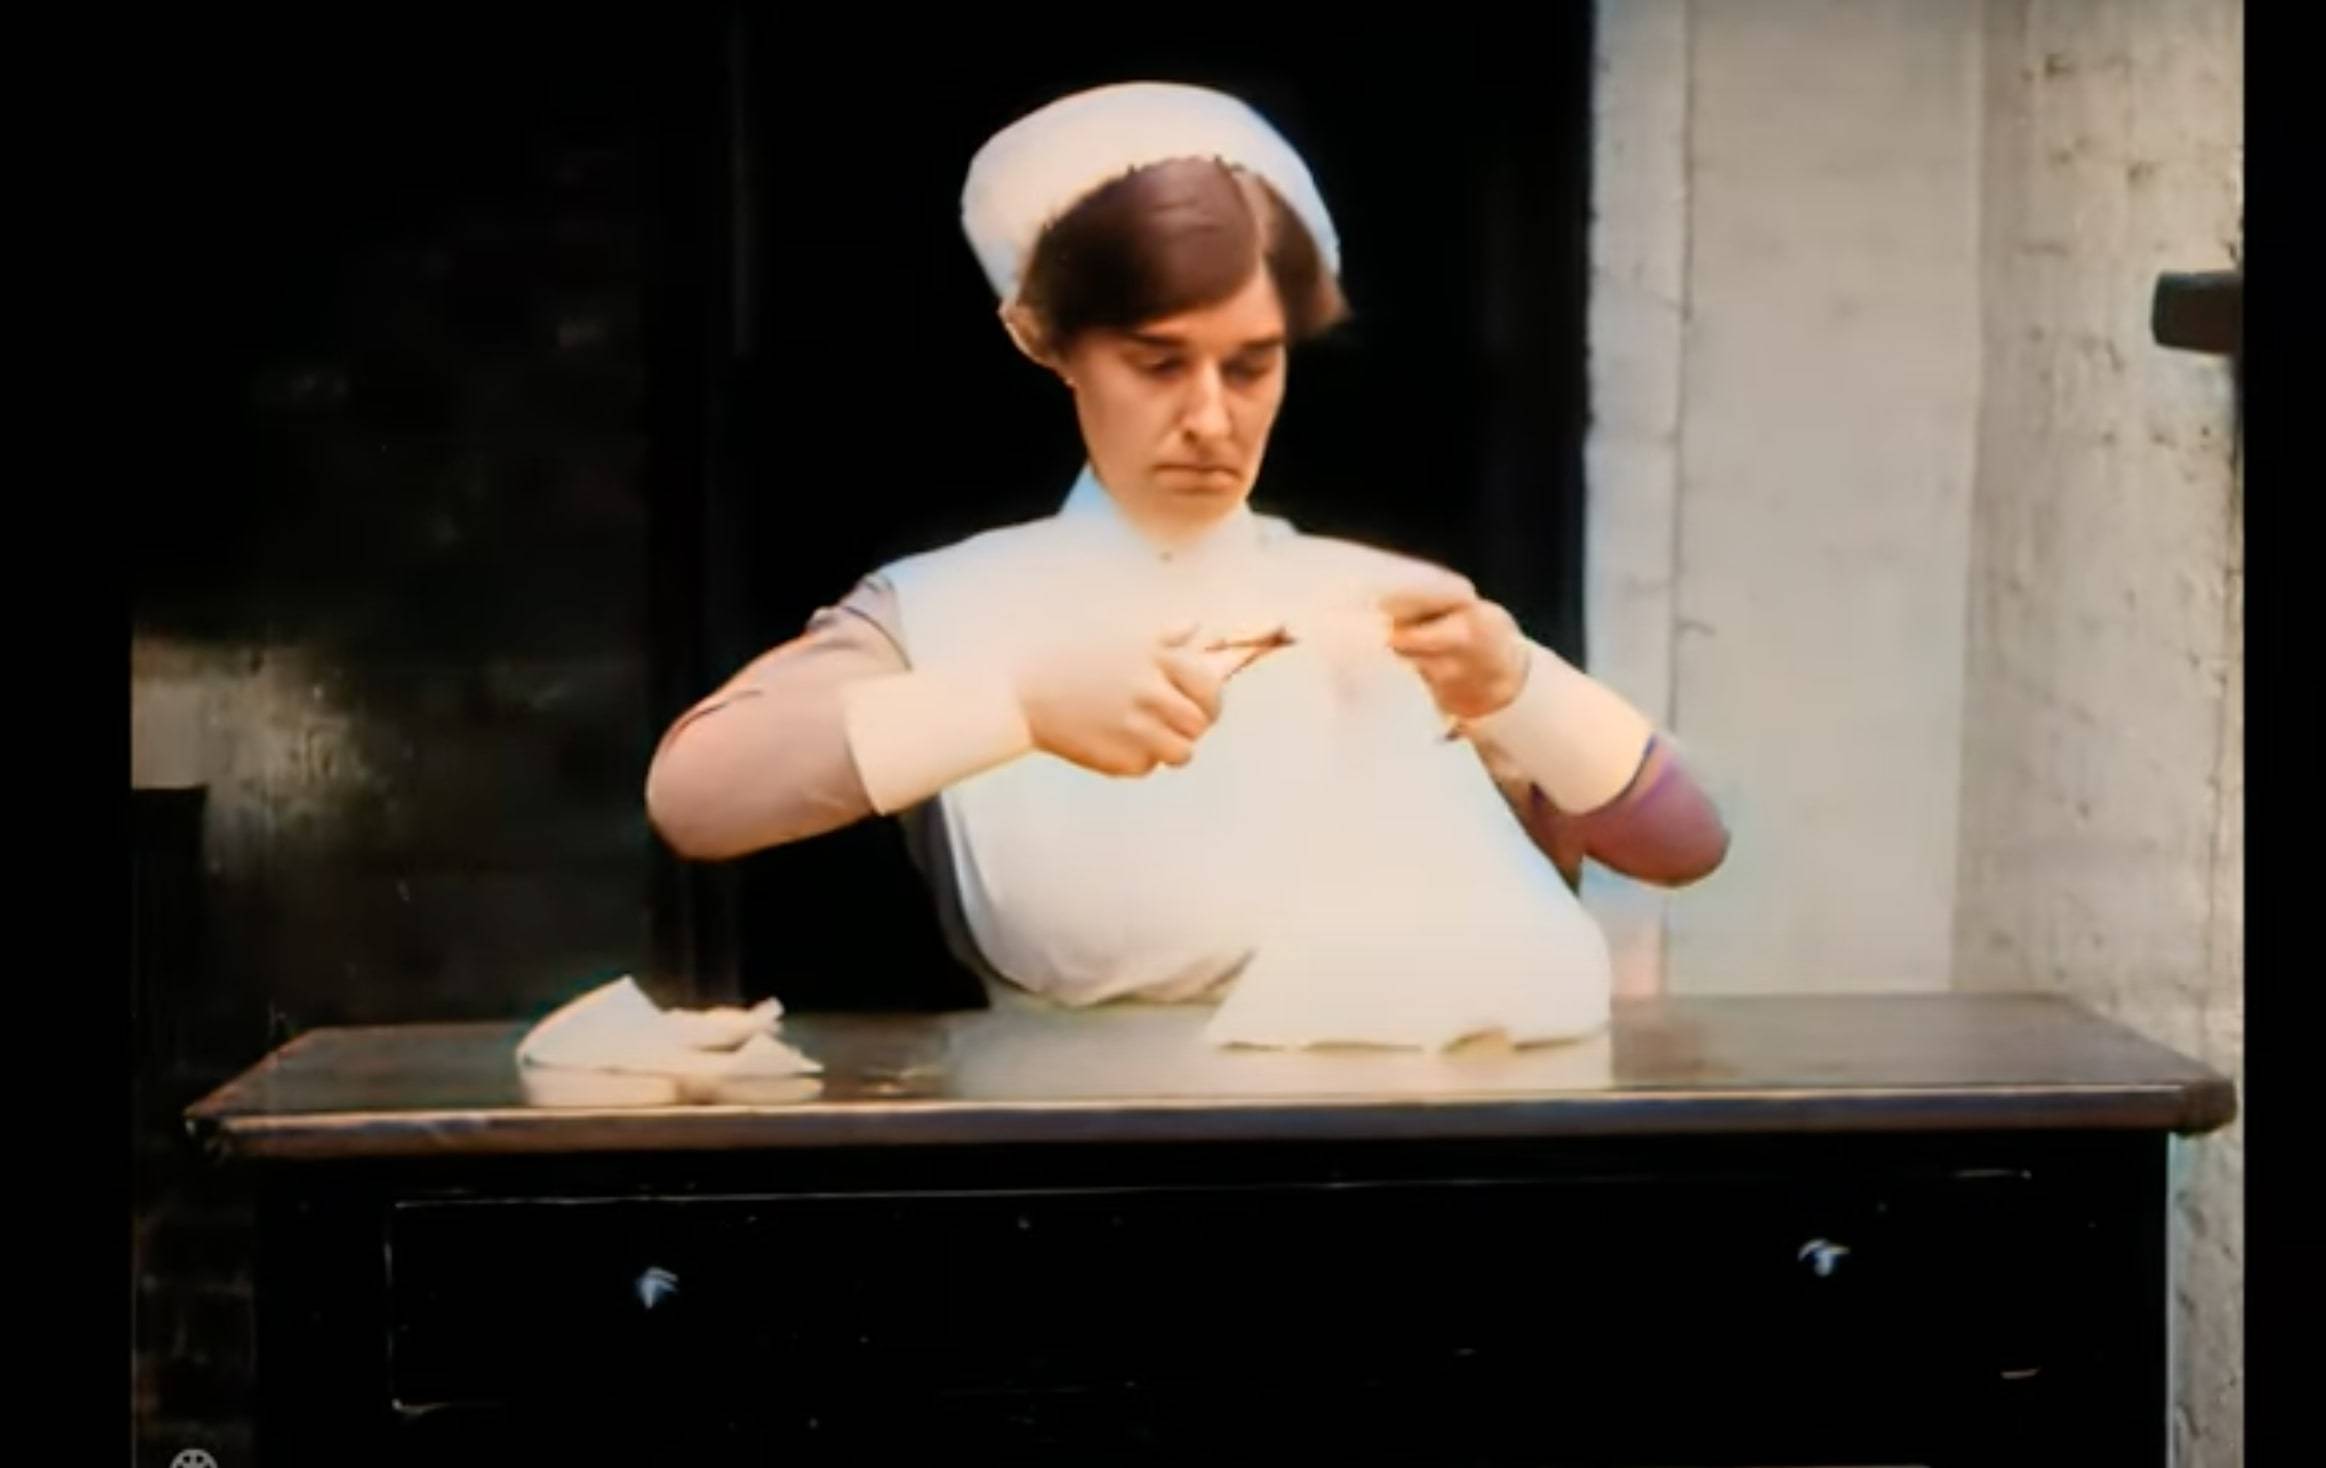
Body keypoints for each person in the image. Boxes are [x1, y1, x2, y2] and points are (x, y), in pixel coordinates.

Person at [645, 82, 1726, 1028]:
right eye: (1157, 363)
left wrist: (1517, 686)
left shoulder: (1380, 601)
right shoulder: (951, 608)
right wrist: (1012, 705)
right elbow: (699, 798)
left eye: (1250, 366)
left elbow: (1683, 844)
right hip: (1082, 1138)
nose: (1210, 418)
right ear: (1045, 340)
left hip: (1407, 1133)